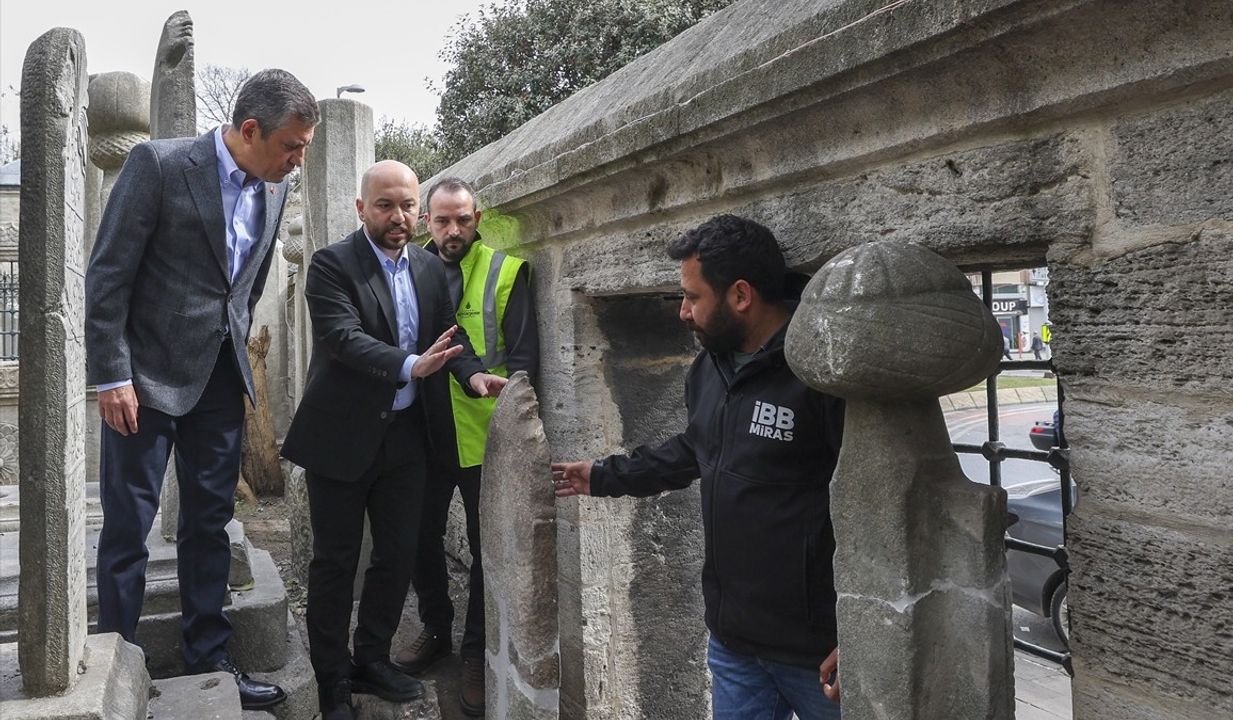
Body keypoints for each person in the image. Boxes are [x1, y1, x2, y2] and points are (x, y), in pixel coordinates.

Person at [86, 68, 318, 710]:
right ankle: (118, 661)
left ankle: (209, 658)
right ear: (250, 130)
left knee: (211, 523)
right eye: (292, 147)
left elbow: (243, 285)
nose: (298, 159)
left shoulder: (273, 193)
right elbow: (107, 277)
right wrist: (112, 374)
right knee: (128, 526)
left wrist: (237, 356)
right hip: (143, 382)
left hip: (219, 380)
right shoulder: (157, 165)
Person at [551, 215, 844, 719]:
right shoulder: (710, 366)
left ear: (741, 296)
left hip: (820, 656)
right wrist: (602, 475)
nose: (683, 312)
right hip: (735, 646)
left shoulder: (819, 370)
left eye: (692, 297)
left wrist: (856, 629)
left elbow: (871, 501)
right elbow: (696, 449)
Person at [280, 161, 507, 720]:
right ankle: (332, 677)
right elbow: (344, 339)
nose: (399, 217)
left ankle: (372, 658)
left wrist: (471, 374)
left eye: (408, 205)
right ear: (362, 209)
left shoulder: (430, 268)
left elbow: (451, 337)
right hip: (341, 437)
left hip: (408, 438)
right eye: (386, 206)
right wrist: (411, 363)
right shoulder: (333, 265)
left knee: (398, 555)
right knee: (335, 563)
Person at [393, 177, 539, 717]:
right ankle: (435, 627)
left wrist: (517, 426)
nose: (453, 230)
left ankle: (475, 651)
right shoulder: (406, 269)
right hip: (422, 435)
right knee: (416, 537)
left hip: (484, 435)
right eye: (442, 220)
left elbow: (524, 359)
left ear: (478, 217)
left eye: (463, 219)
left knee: (485, 550)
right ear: (426, 221)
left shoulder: (506, 271)